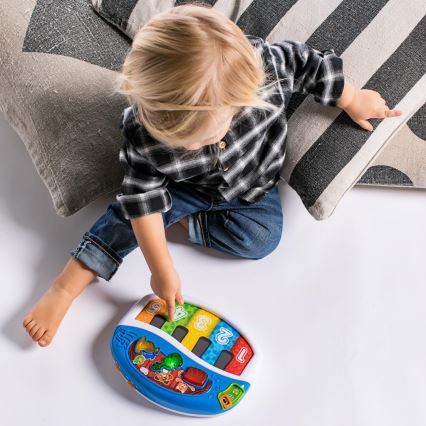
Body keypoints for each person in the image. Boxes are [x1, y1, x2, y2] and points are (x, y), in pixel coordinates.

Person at [22, 4, 402, 347]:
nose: (191, 148)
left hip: (253, 184)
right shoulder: (142, 130)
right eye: (179, 142)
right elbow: (142, 197)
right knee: (130, 215)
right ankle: (65, 286)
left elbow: (310, 65)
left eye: (202, 137)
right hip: (185, 188)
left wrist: (351, 99)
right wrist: (161, 269)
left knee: (262, 240)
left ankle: (178, 222)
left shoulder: (263, 67)